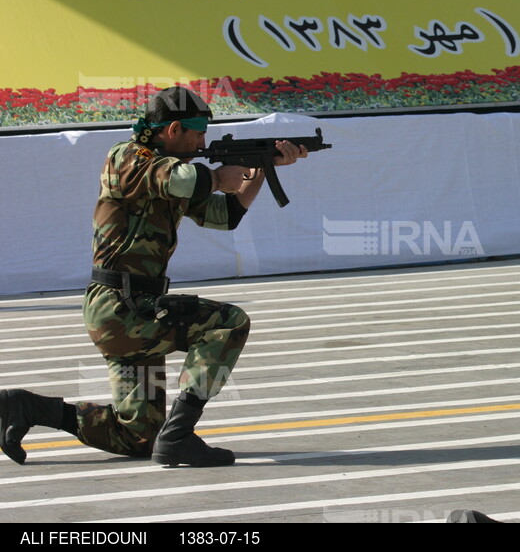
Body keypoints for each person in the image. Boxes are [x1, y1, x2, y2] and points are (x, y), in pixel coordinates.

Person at [0, 86, 308, 468]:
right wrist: (216, 177)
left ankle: (27, 408)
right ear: (173, 129)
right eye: (197, 134)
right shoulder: (128, 158)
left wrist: (261, 167)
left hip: (135, 310)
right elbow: (187, 180)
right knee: (228, 324)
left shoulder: (171, 169)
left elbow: (224, 215)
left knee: (138, 435)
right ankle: (179, 436)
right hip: (122, 309)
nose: (202, 142)